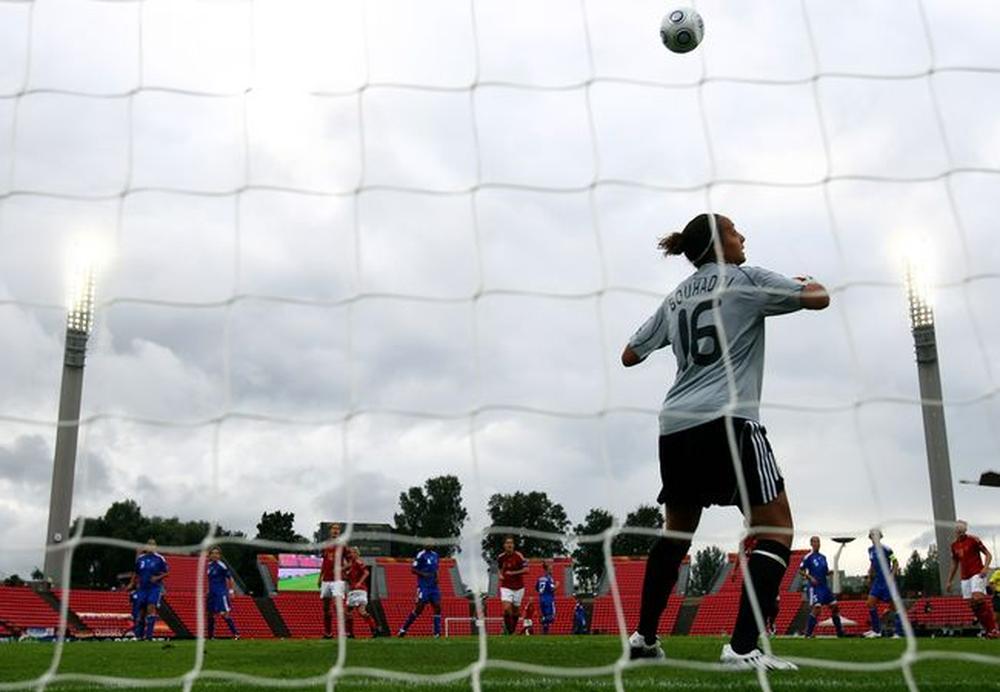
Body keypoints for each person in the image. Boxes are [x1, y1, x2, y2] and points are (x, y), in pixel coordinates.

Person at [621, 213, 829, 670]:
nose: (743, 237)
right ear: (718, 243)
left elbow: (630, 355)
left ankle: (644, 638)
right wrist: (806, 280)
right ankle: (740, 648)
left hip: (675, 426)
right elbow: (819, 298)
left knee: (675, 533)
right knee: (775, 529)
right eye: (735, 231)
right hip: (729, 419)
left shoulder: (675, 298)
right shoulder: (745, 278)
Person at [945, 520, 998, 638]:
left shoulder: (974, 540)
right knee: (973, 605)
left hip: (977, 573)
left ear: (965, 530)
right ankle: (988, 631)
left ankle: (994, 629)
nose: (960, 532)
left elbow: (988, 554)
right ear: (955, 531)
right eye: (958, 530)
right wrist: (949, 580)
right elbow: (954, 564)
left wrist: (985, 568)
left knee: (978, 599)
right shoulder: (954, 546)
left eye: (962, 530)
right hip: (965, 577)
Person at [862, 529, 904, 638]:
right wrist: (869, 575)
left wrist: (892, 575)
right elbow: (872, 563)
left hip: (887, 582)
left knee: (895, 607)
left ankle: (898, 632)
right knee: (870, 603)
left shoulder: (887, 549)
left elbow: (895, 563)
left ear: (880, 536)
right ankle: (876, 631)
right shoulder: (870, 550)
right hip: (877, 581)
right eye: (872, 535)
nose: (874, 537)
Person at [799, 536, 844, 637]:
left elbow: (825, 572)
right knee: (817, 608)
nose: (817, 543)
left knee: (835, 607)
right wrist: (810, 578)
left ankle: (840, 632)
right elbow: (801, 570)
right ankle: (808, 633)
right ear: (811, 544)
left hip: (824, 586)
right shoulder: (808, 557)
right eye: (815, 542)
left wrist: (830, 572)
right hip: (814, 587)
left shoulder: (823, 557)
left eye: (818, 542)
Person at [398, 543, 442, 637]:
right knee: (419, 608)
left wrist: (437, 577)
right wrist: (423, 574)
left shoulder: (435, 555)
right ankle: (403, 629)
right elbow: (413, 569)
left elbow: (436, 568)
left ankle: (437, 633)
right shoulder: (420, 555)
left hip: (433, 587)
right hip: (423, 586)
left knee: (437, 607)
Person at [133, 539, 169, 640]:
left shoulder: (159, 558)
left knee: (151, 608)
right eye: (149, 545)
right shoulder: (141, 558)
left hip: (154, 588)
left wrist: (157, 578)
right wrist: (133, 583)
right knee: (141, 611)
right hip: (143, 588)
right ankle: (138, 635)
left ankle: (149, 635)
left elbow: (167, 572)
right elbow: (136, 572)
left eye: (153, 545)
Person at [318, 523, 347, 639]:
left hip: (337, 580)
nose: (336, 531)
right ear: (330, 531)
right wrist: (320, 577)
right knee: (326, 608)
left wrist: (342, 568)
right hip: (326, 579)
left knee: (337, 605)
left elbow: (350, 562)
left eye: (338, 529)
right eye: (334, 529)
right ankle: (328, 633)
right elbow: (324, 562)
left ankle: (343, 632)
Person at [204, 546, 239, 640]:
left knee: (224, 613)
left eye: (217, 553)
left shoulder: (221, 565)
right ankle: (210, 636)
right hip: (212, 593)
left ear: (219, 555)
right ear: (210, 555)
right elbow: (210, 580)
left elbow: (230, 578)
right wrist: (208, 590)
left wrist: (231, 591)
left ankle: (236, 634)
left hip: (220, 593)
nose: (215, 555)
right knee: (210, 614)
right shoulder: (209, 565)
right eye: (213, 553)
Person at [344, 547, 379, 638]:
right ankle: (351, 633)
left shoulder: (358, 562)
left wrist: (359, 582)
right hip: (352, 591)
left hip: (360, 590)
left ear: (356, 553)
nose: (350, 555)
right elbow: (349, 578)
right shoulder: (350, 564)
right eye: (349, 553)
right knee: (350, 612)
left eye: (351, 553)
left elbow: (366, 572)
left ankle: (374, 629)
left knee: (359, 611)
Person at [497, 536, 528, 635]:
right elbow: (499, 568)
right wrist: (500, 574)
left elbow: (527, 570)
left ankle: (512, 630)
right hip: (506, 586)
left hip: (519, 587)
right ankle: (510, 631)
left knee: (516, 611)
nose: (509, 545)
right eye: (507, 543)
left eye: (511, 543)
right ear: (504, 545)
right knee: (506, 609)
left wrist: (513, 573)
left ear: (514, 545)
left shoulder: (519, 556)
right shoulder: (501, 557)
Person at [535, 560, 559, 634]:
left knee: (545, 615)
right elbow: (552, 589)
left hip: (541, 599)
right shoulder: (549, 579)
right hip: (548, 599)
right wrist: (557, 585)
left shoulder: (540, 579)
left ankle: (545, 633)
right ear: (547, 570)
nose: (552, 571)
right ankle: (542, 619)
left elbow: (536, 588)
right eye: (551, 569)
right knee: (551, 617)